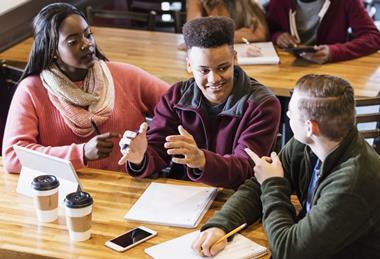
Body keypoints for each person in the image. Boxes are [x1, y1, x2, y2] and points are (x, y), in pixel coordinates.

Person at [192, 74, 380, 258]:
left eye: (291, 111)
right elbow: (257, 187)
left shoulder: (352, 182)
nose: (287, 114)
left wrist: (273, 183)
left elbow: (288, 250)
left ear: (310, 127)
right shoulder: (311, 142)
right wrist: (221, 224)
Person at [2, 3, 169, 173]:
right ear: (52, 50)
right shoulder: (31, 90)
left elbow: (179, 104)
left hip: (129, 190)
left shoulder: (126, 75)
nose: (87, 44)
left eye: (88, 35)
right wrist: (81, 153)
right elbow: (12, 157)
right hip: (66, 194)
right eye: (73, 41)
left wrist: (151, 146)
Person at [119, 16, 280, 189]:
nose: (214, 79)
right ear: (189, 65)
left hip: (236, 199)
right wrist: (140, 157)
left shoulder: (263, 105)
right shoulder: (175, 97)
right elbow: (158, 152)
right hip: (182, 196)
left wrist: (202, 160)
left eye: (223, 68)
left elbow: (248, 169)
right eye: (203, 70)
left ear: (235, 58)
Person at [267, 0, 380, 63]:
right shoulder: (278, 3)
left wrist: (334, 52)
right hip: (288, 68)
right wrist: (278, 36)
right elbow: (270, 31)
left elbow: (374, 37)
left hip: (330, 70)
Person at [186, 0, 268, 43]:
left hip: (243, 57)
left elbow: (259, 34)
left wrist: (213, 36)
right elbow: (194, 34)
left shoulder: (247, 2)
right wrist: (239, 35)